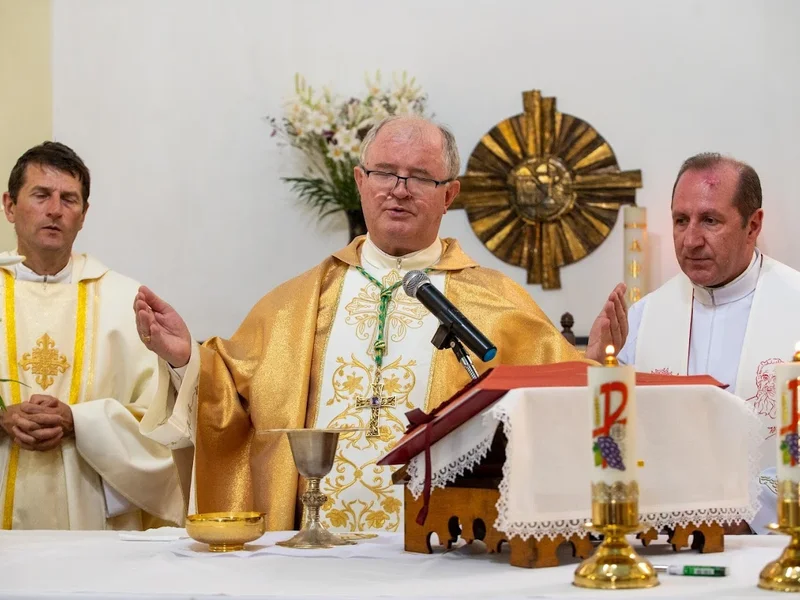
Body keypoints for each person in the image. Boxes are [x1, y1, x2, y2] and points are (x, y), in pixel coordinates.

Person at [136, 116, 627, 533]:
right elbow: (233, 393)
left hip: (437, 548)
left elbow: (552, 399)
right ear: (359, 181)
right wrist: (185, 358)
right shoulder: (299, 301)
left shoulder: (496, 303)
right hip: (314, 547)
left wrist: (594, 364)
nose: (399, 190)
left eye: (420, 177)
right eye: (385, 173)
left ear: (449, 194)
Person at [0, 142, 185, 530]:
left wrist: (81, 422)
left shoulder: (124, 300)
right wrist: (1, 418)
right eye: (40, 195)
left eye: (69, 199)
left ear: (84, 216)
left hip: (95, 521)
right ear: (9, 206)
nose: (55, 210)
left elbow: (164, 421)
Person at [617, 152, 800, 533]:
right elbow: (618, 437)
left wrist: (749, 513)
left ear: (753, 225)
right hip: (662, 537)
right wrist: (593, 369)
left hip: (774, 543)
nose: (691, 240)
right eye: (681, 221)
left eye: (710, 220)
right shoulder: (645, 317)